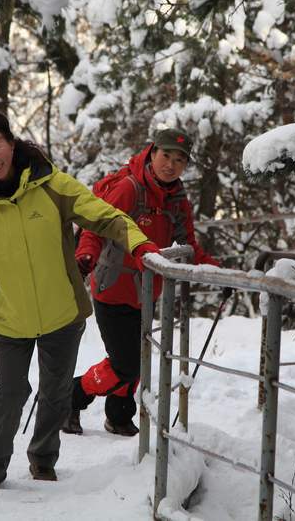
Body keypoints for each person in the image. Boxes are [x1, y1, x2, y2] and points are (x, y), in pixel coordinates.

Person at [0, 110, 159, 490]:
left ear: (10, 141)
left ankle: (42, 458)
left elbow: (105, 217)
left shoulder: (54, 186)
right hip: (11, 317)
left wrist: (138, 243)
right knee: (10, 393)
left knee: (55, 393)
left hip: (62, 313)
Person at [64, 128, 220, 437]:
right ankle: (70, 396)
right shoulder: (129, 189)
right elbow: (95, 228)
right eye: (166, 156)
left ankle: (119, 416)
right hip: (112, 287)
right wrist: (85, 257)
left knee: (137, 356)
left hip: (147, 292)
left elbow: (188, 245)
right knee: (126, 363)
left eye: (180, 160)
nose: (171, 165)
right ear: (152, 153)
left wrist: (220, 272)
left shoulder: (176, 200)